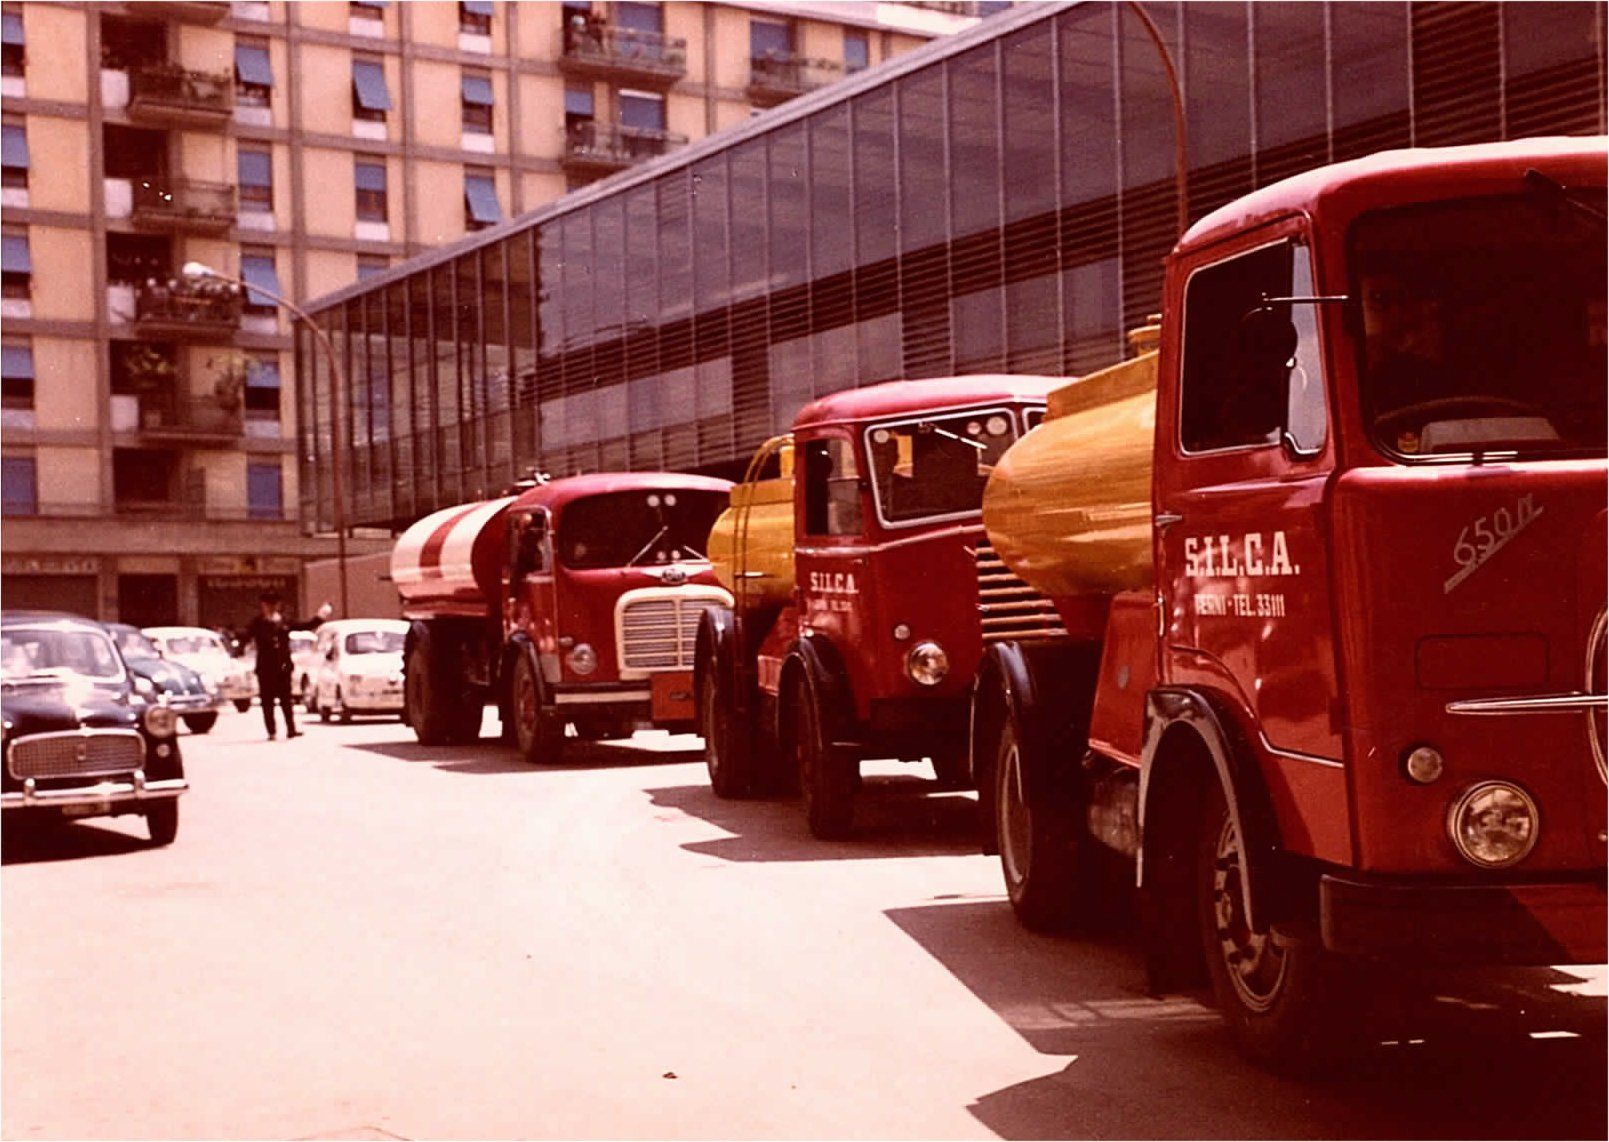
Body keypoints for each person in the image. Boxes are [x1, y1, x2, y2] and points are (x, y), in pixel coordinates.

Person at [240, 592, 332, 741]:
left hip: (283, 667)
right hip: (265, 668)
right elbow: (245, 637)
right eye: (267, 604)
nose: (270, 607)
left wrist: (321, 616)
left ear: (278, 605)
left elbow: (306, 626)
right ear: (263, 606)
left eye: (273, 604)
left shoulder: (285, 622)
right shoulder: (257, 623)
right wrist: (238, 649)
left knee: (286, 700)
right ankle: (271, 731)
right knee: (267, 701)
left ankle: (291, 729)